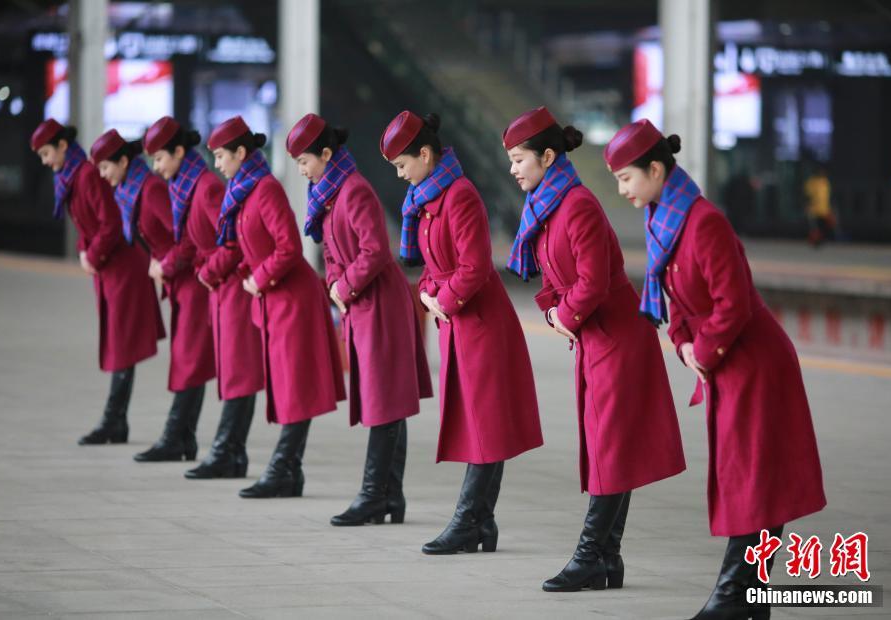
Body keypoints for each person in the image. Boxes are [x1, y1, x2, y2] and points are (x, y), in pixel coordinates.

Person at [605, 119, 826, 619]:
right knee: (743, 475)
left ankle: (733, 596)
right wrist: (683, 341)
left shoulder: (704, 222)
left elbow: (734, 304)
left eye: (626, 178)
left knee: (754, 478)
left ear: (656, 169)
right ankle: (750, 598)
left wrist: (700, 350)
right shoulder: (663, 218)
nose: (622, 190)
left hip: (756, 364)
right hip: (724, 362)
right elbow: (675, 300)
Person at [503, 107, 687, 592]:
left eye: (520, 159)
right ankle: (607, 559)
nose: (514, 169)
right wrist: (551, 311)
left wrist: (564, 315)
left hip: (618, 337)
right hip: (594, 338)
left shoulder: (577, 204)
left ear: (547, 156)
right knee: (610, 448)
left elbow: (593, 280)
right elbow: (551, 279)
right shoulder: (545, 207)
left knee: (609, 447)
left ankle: (590, 556)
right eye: (511, 161)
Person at [381, 110, 543, 554]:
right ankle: (479, 524)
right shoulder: (428, 199)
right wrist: (433, 294)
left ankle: (469, 521)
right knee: (476, 424)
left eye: (402, 165)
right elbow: (437, 266)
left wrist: (440, 298)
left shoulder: (460, 195)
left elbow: (474, 266)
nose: (400, 176)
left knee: (486, 426)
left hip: (483, 325)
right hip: (458, 325)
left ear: (426, 154)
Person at [287, 113, 433, 525]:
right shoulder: (331, 194)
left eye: (304, 162)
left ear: (326, 154)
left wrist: (343, 286)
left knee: (386, 402)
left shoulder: (354, 192)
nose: (302, 171)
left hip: (380, 306)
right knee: (385, 401)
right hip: (362, 306)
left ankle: (375, 496)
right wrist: (336, 282)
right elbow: (334, 252)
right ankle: (388, 497)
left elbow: (375, 251)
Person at [208, 116, 346, 498]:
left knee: (296, 387)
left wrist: (259, 277)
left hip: (293, 300)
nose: (218, 164)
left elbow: (289, 247)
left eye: (221, 156)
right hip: (274, 301)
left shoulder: (264, 189)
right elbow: (249, 246)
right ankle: (286, 469)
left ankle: (285, 468)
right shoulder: (242, 189)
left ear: (240, 153)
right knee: (286, 386)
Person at [31, 119, 164, 446]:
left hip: (124, 269)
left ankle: (113, 422)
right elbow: (85, 225)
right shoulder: (72, 176)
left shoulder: (88, 175)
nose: (46, 161)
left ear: (62, 146)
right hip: (111, 270)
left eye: (47, 153)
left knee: (122, 345)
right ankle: (115, 422)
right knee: (119, 344)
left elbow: (112, 224)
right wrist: (84, 251)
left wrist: (92, 254)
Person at [144, 116, 264, 479]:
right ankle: (219, 448)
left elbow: (233, 242)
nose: (156, 168)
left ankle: (225, 450)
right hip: (215, 286)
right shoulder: (187, 185)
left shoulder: (206, 187)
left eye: (160, 158)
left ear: (179, 151)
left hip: (226, 286)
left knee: (234, 369)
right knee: (221, 367)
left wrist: (203, 270)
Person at [90, 129, 215, 463]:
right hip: (180, 283)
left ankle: (176, 438)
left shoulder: (152, 190)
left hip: (192, 282)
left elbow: (189, 237)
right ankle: (182, 439)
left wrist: (166, 264)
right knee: (188, 359)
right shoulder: (133, 190)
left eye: (106, 167)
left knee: (189, 360)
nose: (103, 175)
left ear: (123, 161)